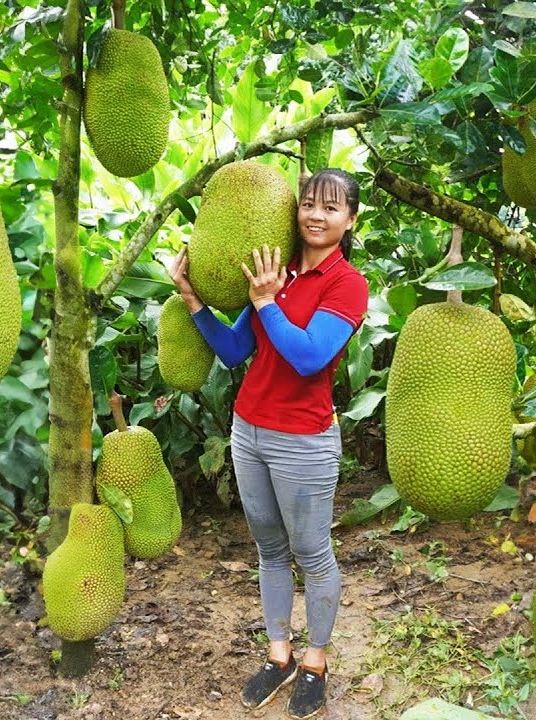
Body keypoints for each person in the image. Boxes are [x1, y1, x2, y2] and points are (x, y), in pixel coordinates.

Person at [168, 168, 368, 719]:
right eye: (308, 204)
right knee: (269, 550)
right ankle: (279, 655)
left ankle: (315, 661)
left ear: (350, 219)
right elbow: (235, 352)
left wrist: (265, 303)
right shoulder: (273, 273)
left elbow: (309, 356)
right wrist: (191, 297)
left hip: (303, 440)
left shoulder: (346, 284)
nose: (316, 215)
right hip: (249, 431)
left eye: (331, 207)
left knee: (312, 553)